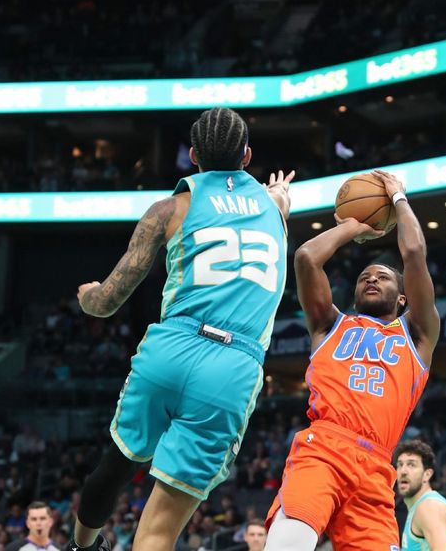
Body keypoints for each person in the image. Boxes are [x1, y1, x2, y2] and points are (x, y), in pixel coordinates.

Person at [67, 108, 294, 551]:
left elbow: (107, 302)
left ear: (192, 155)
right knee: (158, 530)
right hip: (232, 368)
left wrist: (88, 296)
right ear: (247, 155)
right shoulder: (276, 210)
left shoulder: (171, 208)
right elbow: (280, 199)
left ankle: (81, 546)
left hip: (171, 349)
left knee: (114, 465)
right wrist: (281, 193)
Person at [263, 170, 440, 550]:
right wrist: (352, 226)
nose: (372, 280)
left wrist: (398, 199)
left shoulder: (417, 334)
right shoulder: (329, 324)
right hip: (324, 447)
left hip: (376, 467)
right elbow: (307, 257)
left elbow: (413, 253)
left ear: (403, 298)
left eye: (383, 277)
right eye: (364, 277)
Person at [395, 439, 446, 550]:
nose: (403, 471)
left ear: (427, 474)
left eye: (411, 465)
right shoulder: (420, 508)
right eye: (400, 465)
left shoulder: (429, 506)